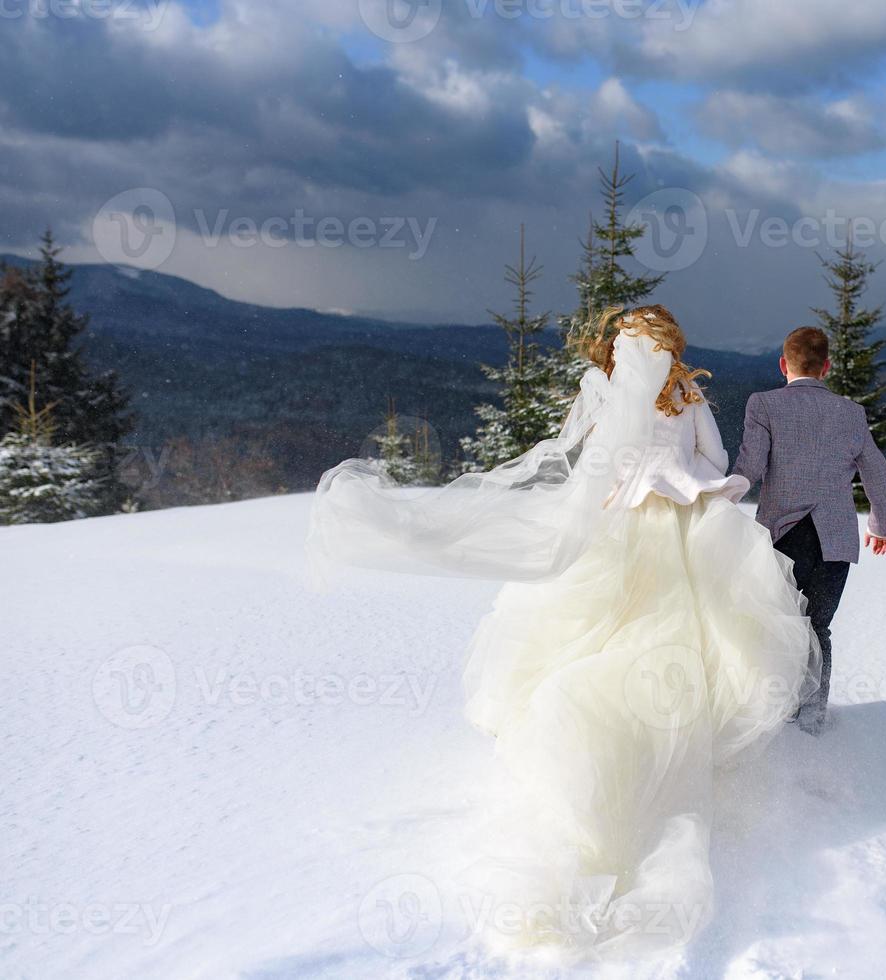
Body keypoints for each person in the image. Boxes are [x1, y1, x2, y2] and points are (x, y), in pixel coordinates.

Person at [307, 305, 820, 956]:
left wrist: (632, 478)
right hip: (669, 533)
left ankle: (583, 764)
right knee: (672, 643)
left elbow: (587, 463)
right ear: (669, 350)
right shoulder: (690, 397)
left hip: (614, 530)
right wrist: (681, 483)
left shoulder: (606, 398)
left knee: (593, 628)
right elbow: (714, 467)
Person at [732, 326, 886, 735]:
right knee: (817, 628)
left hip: (779, 539)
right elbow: (878, 475)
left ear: (783, 365)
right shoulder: (851, 413)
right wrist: (881, 525)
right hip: (834, 541)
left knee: (777, 626)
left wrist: (713, 504)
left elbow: (750, 468)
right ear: (826, 366)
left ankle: (777, 717)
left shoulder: (764, 405)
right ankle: (812, 721)